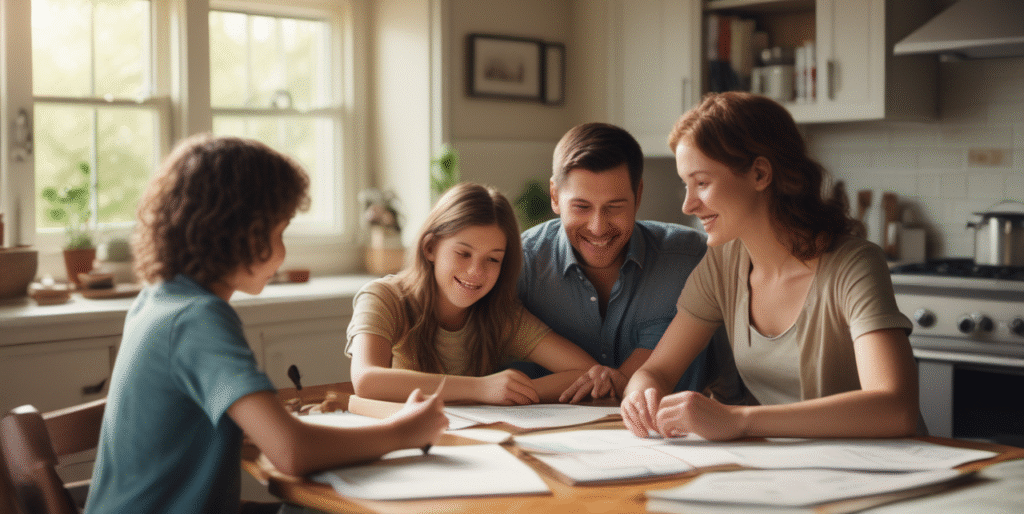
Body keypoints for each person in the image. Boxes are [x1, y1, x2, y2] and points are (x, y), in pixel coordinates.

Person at [85, 135, 448, 514]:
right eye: (278, 233)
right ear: (234, 231)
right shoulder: (198, 319)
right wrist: (404, 431)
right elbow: (292, 451)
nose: (283, 251)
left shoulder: (158, 300)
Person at [621, 92, 920, 441]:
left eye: (701, 183)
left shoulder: (853, 266)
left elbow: (896, 409)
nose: (689, 205)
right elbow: (657, 370)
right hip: (790, 468)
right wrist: (639, 397)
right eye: (685, 185)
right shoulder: (722, 263)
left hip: (884, 469)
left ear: (760, 173)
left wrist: (740, 420)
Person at [518, 122, 727, 403]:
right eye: (581, 207)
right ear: (555, 196)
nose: (598, 227)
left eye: (614, 207)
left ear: (638, 195)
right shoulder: (519, 263)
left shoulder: (692, 260)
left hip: (671, 438)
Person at [346, 182, 598, 405]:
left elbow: (589, 373)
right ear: (430, 247)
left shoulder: (500, 314)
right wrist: (481, 389)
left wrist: (513, 391)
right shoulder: (383, 298)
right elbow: (366, 380)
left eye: (492, 259)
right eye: (463, 253)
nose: (476, 271)